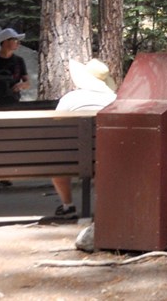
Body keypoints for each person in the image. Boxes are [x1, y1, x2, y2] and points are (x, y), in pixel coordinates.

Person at [50, 58, 117, 220]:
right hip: (106, 156)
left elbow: (55, 125)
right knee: (102, 157)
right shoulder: (113, 100)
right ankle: (106, 207)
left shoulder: (70, 98)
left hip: (70, 158)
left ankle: (68, 205)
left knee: (57, 160)